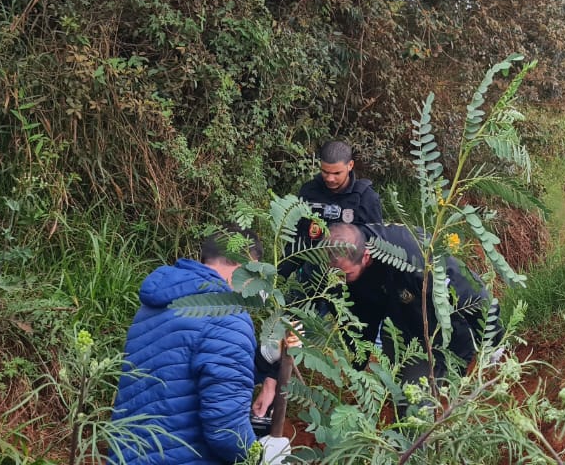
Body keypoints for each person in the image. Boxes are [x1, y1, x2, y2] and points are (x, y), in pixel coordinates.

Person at [110, 228, 263, 465]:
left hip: (128, 455)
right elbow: (226, 429)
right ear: (244, 263)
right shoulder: (229, 316)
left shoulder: (154, 305)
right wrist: (259, 455)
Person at [324, 222, 498, 386]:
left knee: (418, 404)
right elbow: (356, 321)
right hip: (401, 324)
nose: (339, 280)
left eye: (346, 274)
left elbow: (473, 295)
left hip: (443, 329)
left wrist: (493, 340)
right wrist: (356, 368)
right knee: (398, 389)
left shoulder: (414, 258)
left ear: (366, 256)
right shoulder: (338, 274)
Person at [297, 140, 384, 241]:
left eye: (337, 173)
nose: (330, 178)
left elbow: (377, 243)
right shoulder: (309, 191)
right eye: (325, 172)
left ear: (350, 165)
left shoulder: (367, 198)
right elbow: (295, 235)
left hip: (347, 255)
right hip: (309, 254)